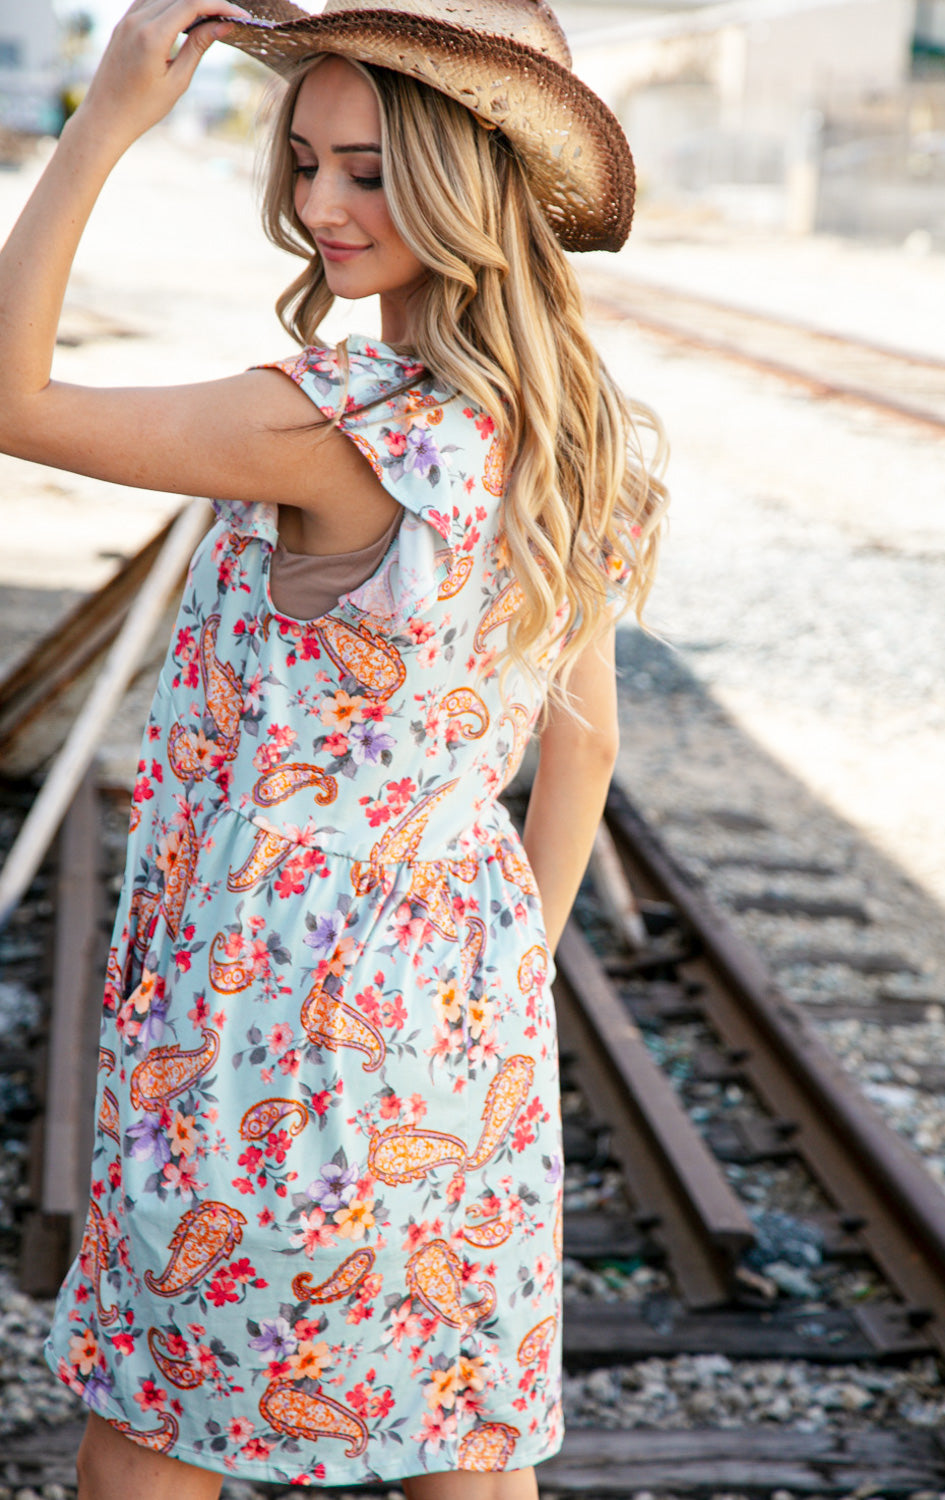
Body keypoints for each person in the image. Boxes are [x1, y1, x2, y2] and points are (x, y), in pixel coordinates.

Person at [0, 1, 667, 1495]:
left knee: (149, 1447)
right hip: (459, 1042)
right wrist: (491, 994)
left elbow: (8, 398)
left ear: (459, 181)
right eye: (306, 162)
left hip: (253, 1030)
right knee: (465, 1451)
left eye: (367, 170)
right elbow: (586, 757)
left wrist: (104, 121)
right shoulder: (575, 438)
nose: (318, 206)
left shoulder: (331, 427)